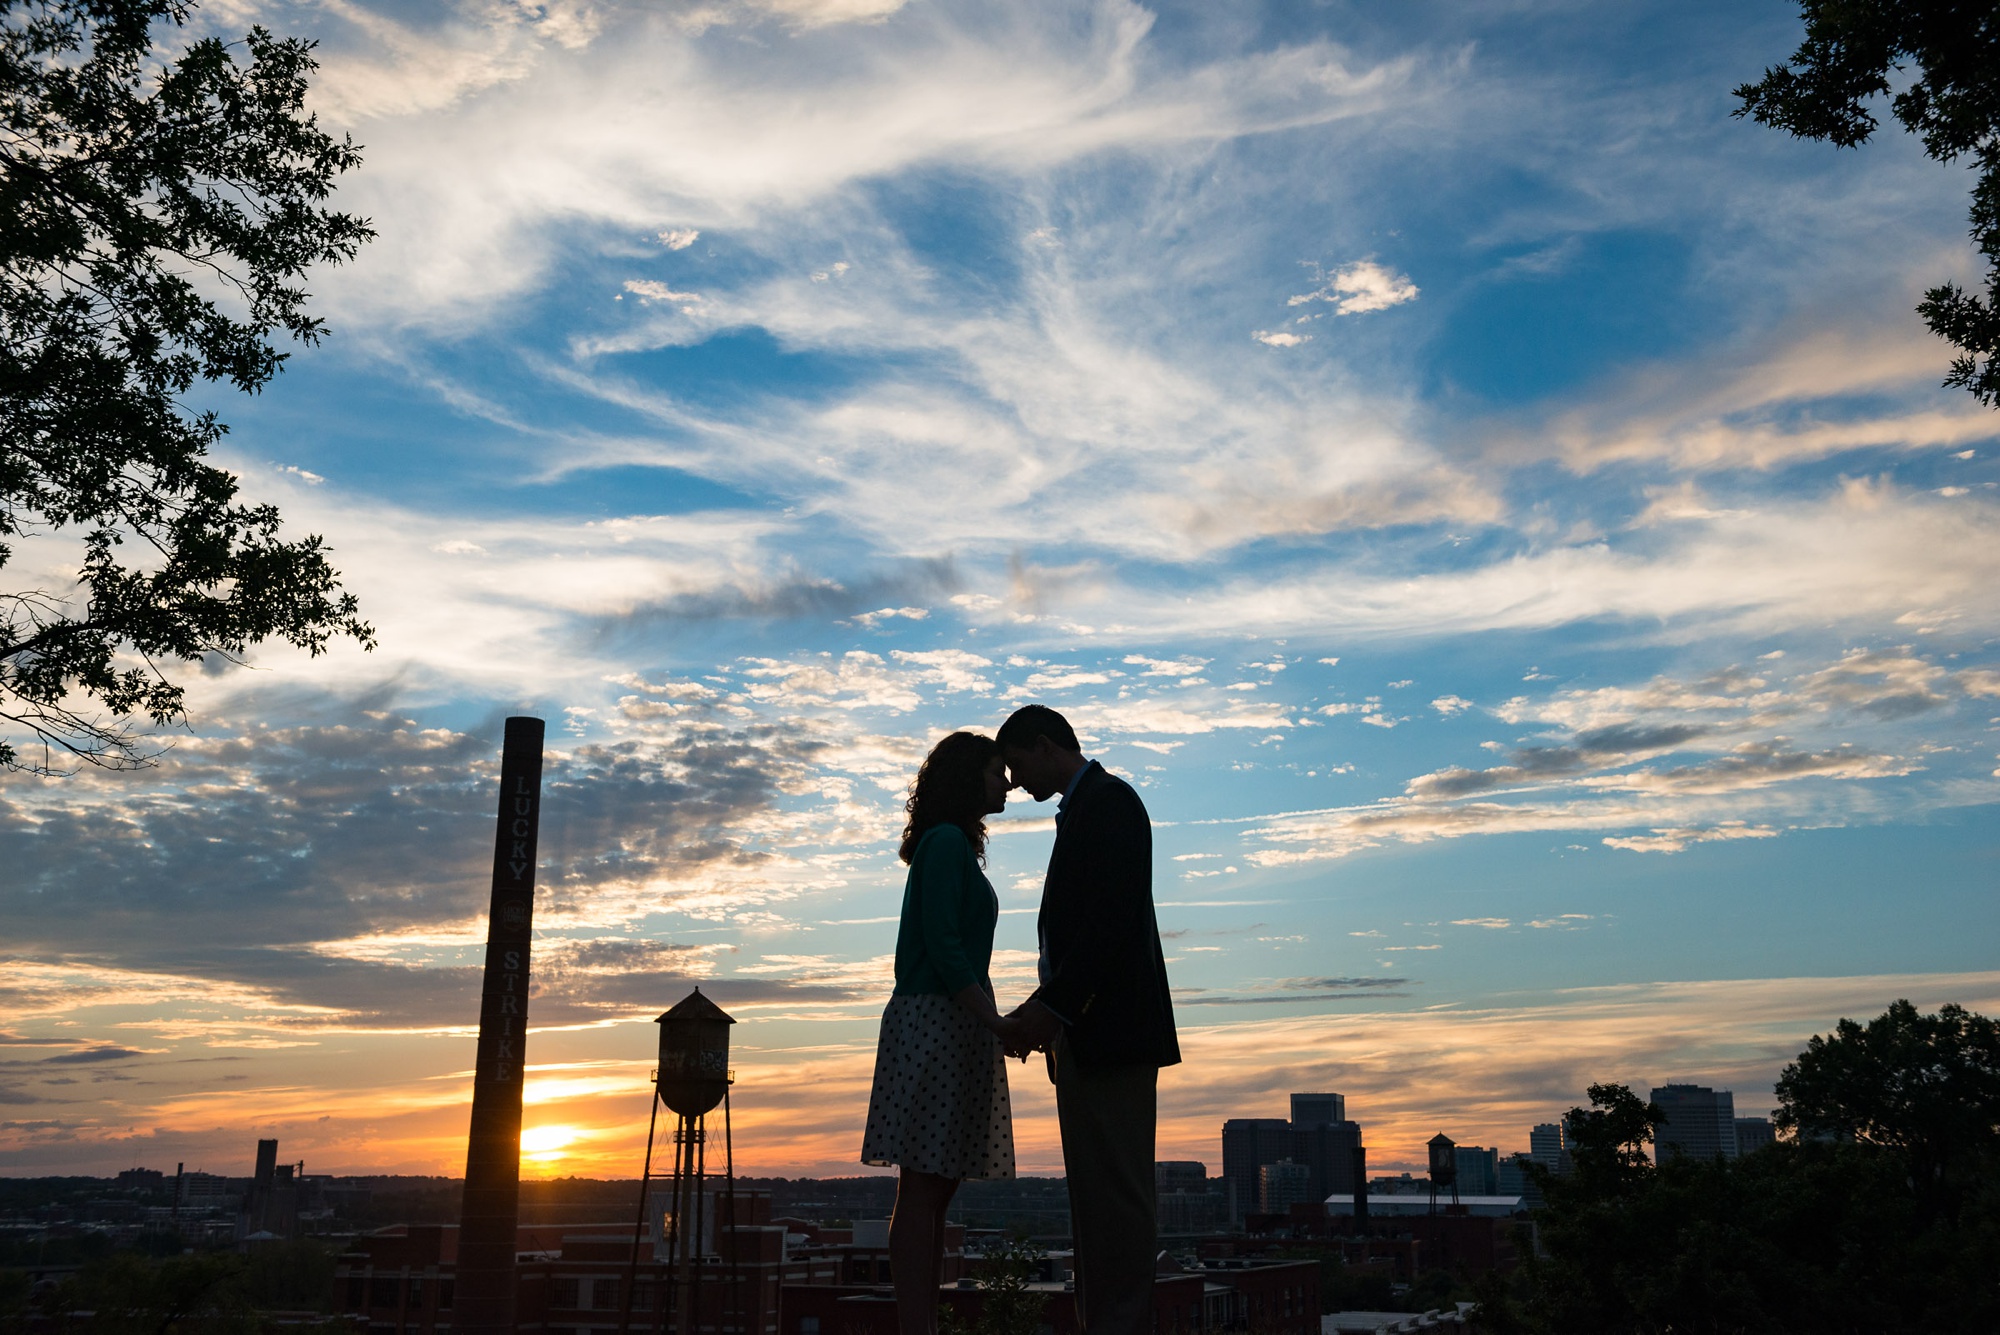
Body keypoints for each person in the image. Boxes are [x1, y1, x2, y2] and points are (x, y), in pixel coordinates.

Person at [996, 705, 1179, 1335]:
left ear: (1046, 746)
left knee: (1115, 1200)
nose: (1014, 782)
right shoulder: (1091, 806)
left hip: (1112, 1038)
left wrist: (1050, 1010)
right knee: (1097, 1202)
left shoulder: (1109, 802)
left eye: (1016, 764)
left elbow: (1109, 924)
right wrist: (1046, 1009)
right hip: (1091, 1036)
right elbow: (1089, 937)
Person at [860, 730, 1021, 1335]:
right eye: (997, 771)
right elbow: (945, 947)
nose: (1006, 783)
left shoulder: (950, 845)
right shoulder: (947, 841)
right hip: (938, 1020)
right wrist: (994, 1021)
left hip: (953, 1021)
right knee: (924, 1188)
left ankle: (923, 1321)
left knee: (938, 1186)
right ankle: (917, 1325)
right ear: (967, 778)